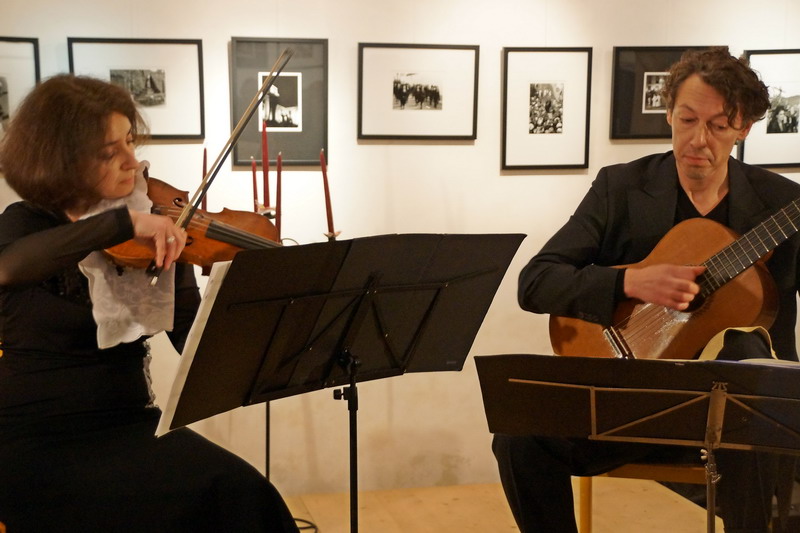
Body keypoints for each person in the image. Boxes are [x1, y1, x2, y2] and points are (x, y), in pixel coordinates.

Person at [493, 47, 800, 533]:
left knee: (748, 368)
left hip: (739, 421)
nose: (698, 140)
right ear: (669, 114)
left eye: (719, 126)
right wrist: (630, 281)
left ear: (743, 128)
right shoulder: (621, 188)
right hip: (628, 406)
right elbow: (536, 282)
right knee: (518, 437)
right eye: (687, 119)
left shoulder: (783, 206)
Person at [0, 74, 299, 532]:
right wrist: (122, 224)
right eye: (109, 152)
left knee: (246, 495)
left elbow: (194, 340)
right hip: (36, 441)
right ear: (62, 158)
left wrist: (256, 307)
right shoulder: (26, 224)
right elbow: (9, 268)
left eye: (129, 141)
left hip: (132, 426)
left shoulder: (159, 222)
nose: (132, 161)